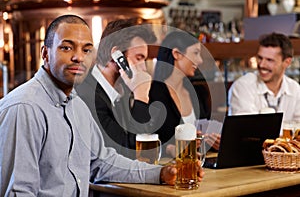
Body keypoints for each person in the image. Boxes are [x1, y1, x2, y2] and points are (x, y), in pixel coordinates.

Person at [0, 14, 204, 196]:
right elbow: (18, 192)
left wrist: (161, 173)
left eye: (86, 50)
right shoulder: (25, 107)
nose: (79, 57)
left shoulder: (77, 106)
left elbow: (103, 162)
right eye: (66, 47)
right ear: (45, 54)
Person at [75, 18, 160, 159]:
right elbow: (126, 153)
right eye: (139, 58)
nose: (144, 68)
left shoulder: (122, 91)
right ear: (117, 55)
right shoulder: (87, 96)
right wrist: (141, 97)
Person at [149, 30, 220, 158]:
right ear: (176, 54)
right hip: (168, 168)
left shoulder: (198, 92)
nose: (200, 60)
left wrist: (213, 141)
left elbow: (203, 134)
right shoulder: (152, 94)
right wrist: (170, 149)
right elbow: (145, 140)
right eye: (195, 53)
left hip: (199, 166)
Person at [228, 32, 300, 124]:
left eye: (269, 60)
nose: (261, 65)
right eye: (260, 58)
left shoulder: (295, 89)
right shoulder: (243, 86)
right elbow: (247, 130)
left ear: (287, 62)